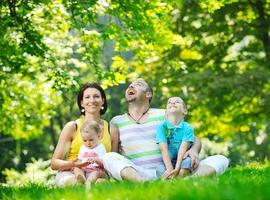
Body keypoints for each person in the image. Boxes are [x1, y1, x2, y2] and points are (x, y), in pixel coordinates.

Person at [102, 79, 229, 182]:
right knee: (109, 157)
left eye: (138, 85)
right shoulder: (116, 121)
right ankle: (144, 184)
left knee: (220, 159)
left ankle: (186, 181)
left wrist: (194, 150)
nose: (131, 87)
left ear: (148, 94)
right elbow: (116, 154)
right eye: (130, 86)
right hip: (138, 172)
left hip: (169, 170)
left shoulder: (164, 114)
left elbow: (194, 138)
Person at [51, 83, 111, 186]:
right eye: (87, 97)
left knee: (101, 185)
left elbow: (113, 161)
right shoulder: (73, 127)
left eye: (96, 96)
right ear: (82, 103)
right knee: (75, 183)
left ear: (103, 101)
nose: (92, 100)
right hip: (72, 172)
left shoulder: (110, 128)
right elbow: (54, 163)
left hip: (98, 173)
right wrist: (73, 164)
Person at [156, 96, 194, 179]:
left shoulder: (188, 128)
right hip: (168, 161)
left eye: (177, 102)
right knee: (159, 169)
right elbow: (164, 150)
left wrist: (177, 168)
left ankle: (180, 179)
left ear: (185, 111)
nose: (172, 103)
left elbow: (182, 150)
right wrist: (170, 170)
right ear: (166, 112)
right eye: (169, 102)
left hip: (182, 159)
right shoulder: (162, 127)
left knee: (187, 162)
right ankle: (171, 179)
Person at [73, 120, 107, 184]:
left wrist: (95, 160)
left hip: (98, 170)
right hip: (85, 170)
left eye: (91, 140)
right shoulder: (83, 148)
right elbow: (80, 160)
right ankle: (81, 178)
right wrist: (79, 164)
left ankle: (88, 183)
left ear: (98, 136)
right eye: (85, 140)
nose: (88, 143)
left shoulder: (100, 147)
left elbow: (104, 163)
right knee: (76, 168)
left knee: (95, 173)